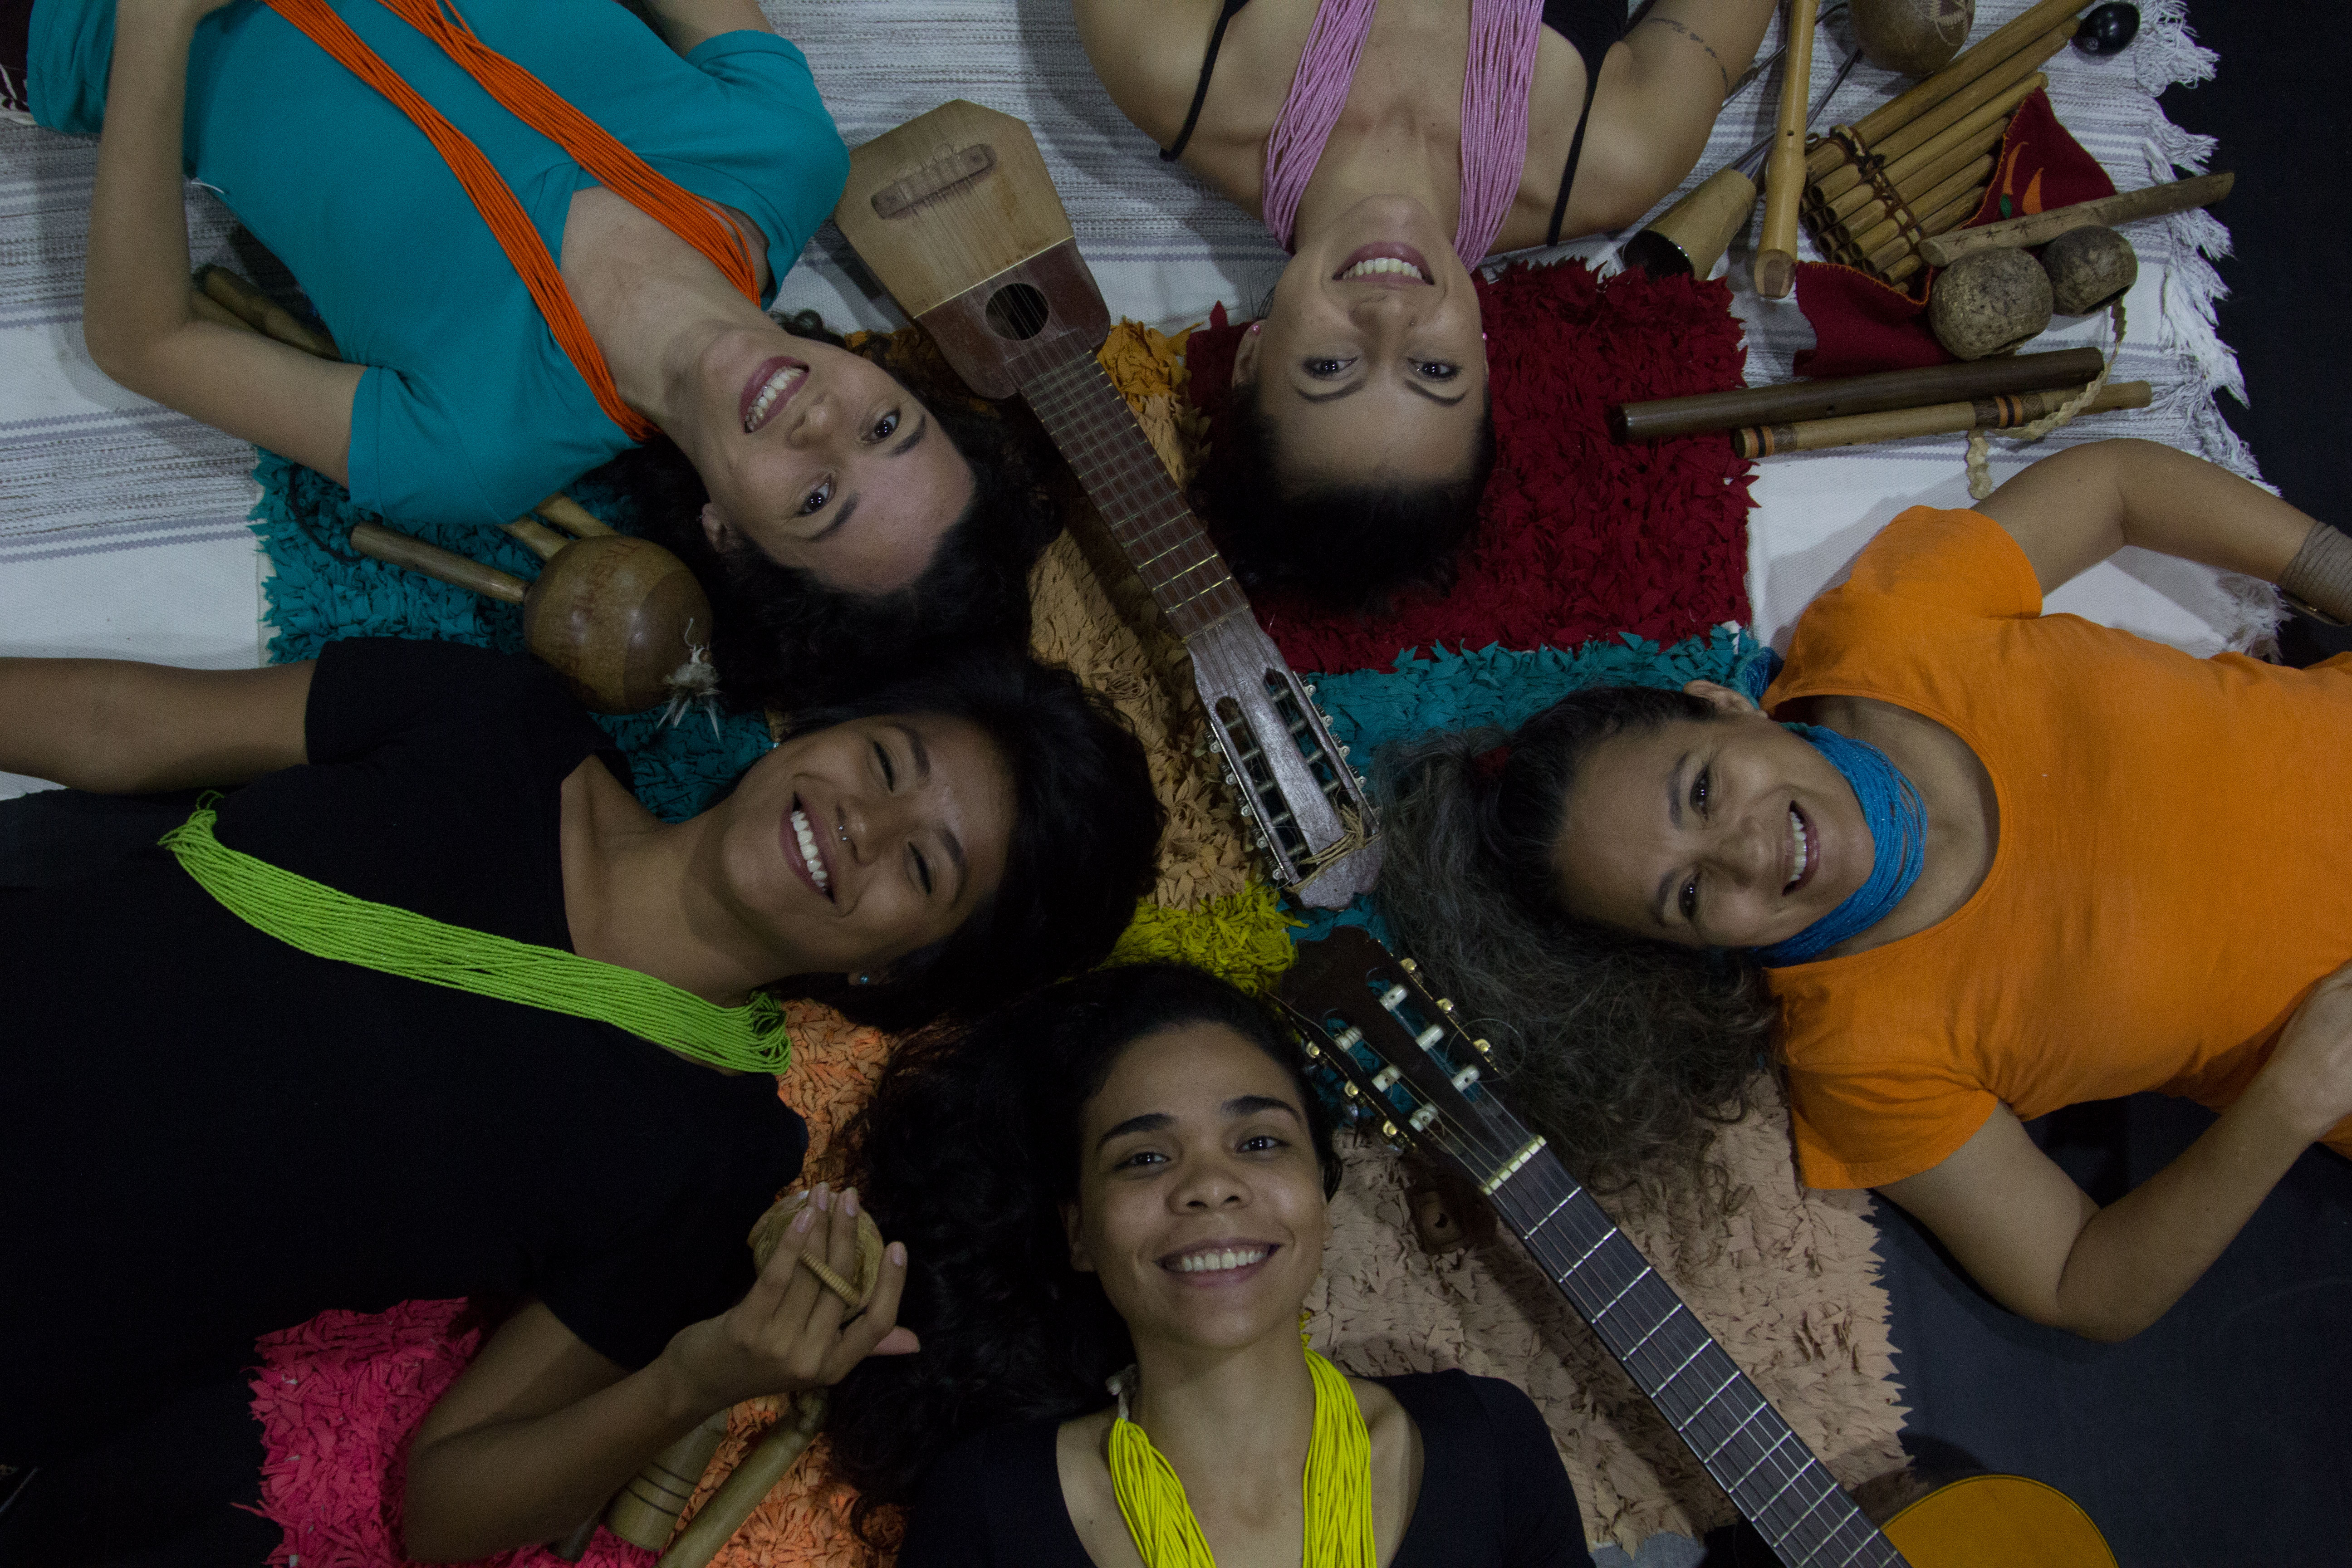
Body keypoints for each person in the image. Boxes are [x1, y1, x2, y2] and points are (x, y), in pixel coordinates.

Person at [0, 634, 1163, 1563]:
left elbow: (446, 1508)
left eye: (923, 866)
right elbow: (119, 724)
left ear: (905, 969)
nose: (866, 821)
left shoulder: (711, 1157)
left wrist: (700, 1378)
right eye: (886, 761)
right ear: (820, 727)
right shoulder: (496, 720)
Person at [1376, 437, 2352, 1343]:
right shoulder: (1863, 1062)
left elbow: (2115, 488)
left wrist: (2335, 570)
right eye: (1689, 896)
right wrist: (2287, 1106)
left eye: (1704, 791)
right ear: (1693, 950)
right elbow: (2077, 1281)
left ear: (1725, 707)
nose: (1747, 853)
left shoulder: (1890, 627)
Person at [14, 0, 1054, 705]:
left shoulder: (474, 449)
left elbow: (144, 340)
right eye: (886, 425)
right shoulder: (787, 152)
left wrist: (157, 21)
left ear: (727, 537)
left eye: (818, 499)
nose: (823, 424)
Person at [823, 962, 1594, 1566]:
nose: (1209, 1185)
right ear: (1080, 1234)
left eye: (1259, 1142)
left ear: (1319, 1194)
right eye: (1144, 1157)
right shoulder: (992, 1506)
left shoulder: (1489, 1446)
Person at [1073, 0, 1779, 604]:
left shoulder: (1167, 64)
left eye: (1331, 365)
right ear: (1484, 363)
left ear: (1249, 358)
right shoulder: (1618, 155)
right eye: (1434, 370)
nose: (1389, 314)